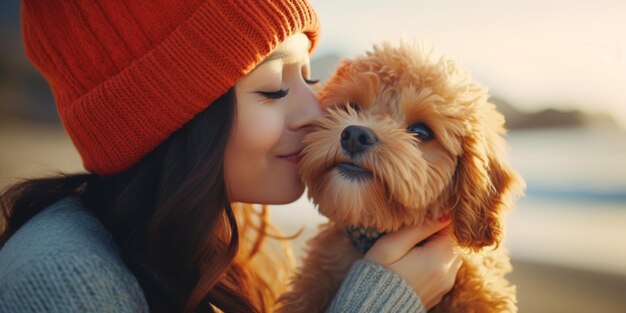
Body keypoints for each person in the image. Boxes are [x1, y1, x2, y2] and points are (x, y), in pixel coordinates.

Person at [0, 1, 461, 312]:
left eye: (308, 78)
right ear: (167, 119)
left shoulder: (227, 245)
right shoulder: (65, 283)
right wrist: (382, 300)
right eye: (274, 88)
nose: (315, 112)